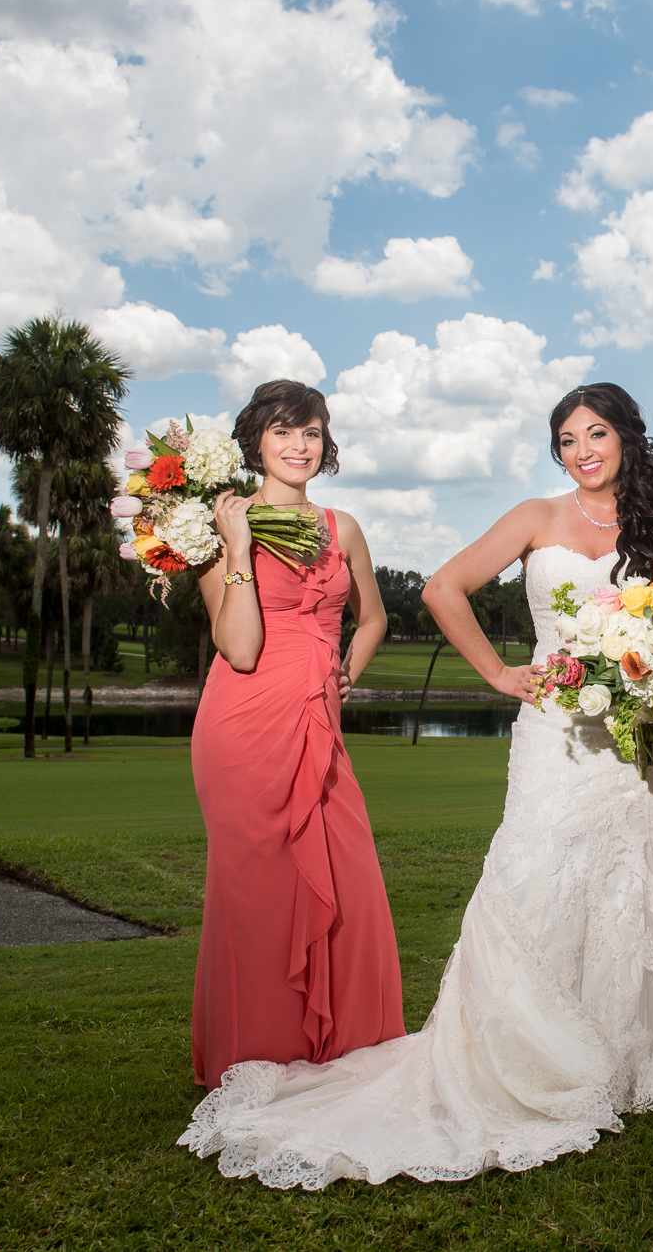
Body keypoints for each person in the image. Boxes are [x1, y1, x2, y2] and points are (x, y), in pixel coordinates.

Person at [179, 381, 653, 1188]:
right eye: (567, 439)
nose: (583, 450)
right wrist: (497, 670)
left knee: (631, 884)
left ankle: (623, 1054)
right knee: (533, 883)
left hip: (644, 742)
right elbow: (439, 588)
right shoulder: (534, 515)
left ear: (627, 436)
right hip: (557, 728)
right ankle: (517, 1054)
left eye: (595, 433)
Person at [187, 379, 404, 1091]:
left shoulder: (342, 528)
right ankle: (258, 1054)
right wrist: (239, 549)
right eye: (283, 432)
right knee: (257, 895)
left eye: (310, 432)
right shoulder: (220, 526)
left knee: (353, 885)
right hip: (245, 725)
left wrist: (349, 666)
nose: (299, 445)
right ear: (255, 441)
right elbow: (241, 647)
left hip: (319, 718)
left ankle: (345, 1048)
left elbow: (372, 617)